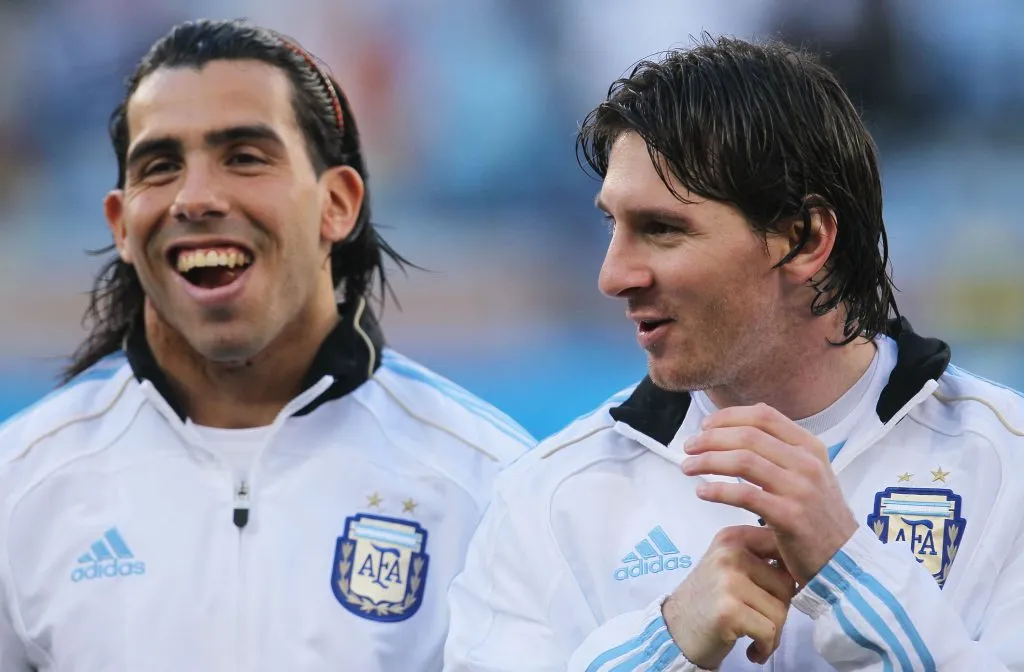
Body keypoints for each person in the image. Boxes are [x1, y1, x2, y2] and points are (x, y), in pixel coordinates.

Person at [444, 36, 1024, 671]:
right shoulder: (551, 498)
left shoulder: (1006, 467)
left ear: (804, 239)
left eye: (661, 229)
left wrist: (852, 576)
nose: (613, 276)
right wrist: (664, 645)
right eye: (613, 225)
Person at [0, 18, 533, 671]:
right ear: (120, 224)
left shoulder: (490, 482)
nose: (195, 198)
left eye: (245, 157)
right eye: (161, 166)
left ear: (337, 203)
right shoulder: (19, 488)